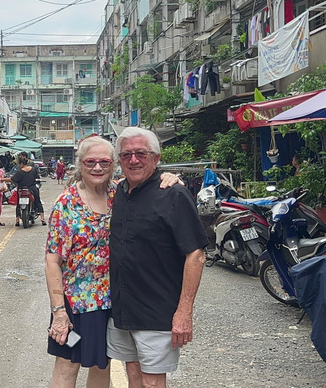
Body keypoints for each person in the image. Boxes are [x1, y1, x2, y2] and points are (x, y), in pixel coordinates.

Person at [45, 136, 181, 388]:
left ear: (114, 164)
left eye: (104, 162)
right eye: (90, 162)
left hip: (114, 300)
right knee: (68, 364)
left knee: (101, 364)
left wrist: (171, 177)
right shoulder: (66, 203)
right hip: (76, 302)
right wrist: (58, 311)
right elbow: (52, 260)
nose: (97, 168)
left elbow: (152, 186)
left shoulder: (119, 194)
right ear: (80, 164)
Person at [108, 127, 207, 388]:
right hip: (123, 306)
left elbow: (196, 255)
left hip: (157, 309)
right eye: (126, 154)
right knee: (133, 373)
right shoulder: (118, 192)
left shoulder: (172, 193)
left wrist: (184, 312)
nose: (133, 160)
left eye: (141, 153)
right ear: (119, 160)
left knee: (152, 382)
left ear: (156, 158)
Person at [8, 156, 45, 226]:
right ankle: (42, 219)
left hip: (21, 189)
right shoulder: (33, 170)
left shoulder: (19, 172)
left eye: (19, 164)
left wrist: (3, 179)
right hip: (32, 189)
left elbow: (12, 179)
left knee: (18, 203)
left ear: (21, 164)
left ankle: (17, 220)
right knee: (37, 201)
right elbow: (37, 177)